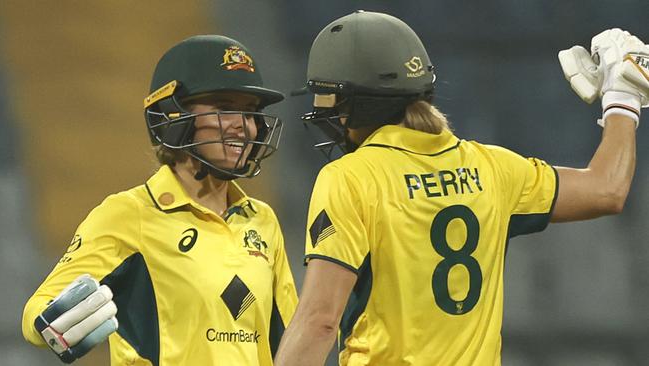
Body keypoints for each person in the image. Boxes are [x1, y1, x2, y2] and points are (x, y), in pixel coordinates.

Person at [274, 11, 647, 366]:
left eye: (330, 98)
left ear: (357, 103)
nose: (327, 112)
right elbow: (607, 189)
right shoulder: (492, 167)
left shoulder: (352, 176)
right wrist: (622, 101)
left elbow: (320, 320)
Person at [22, 35, 298, 365]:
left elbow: (292, 339)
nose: (245, 127)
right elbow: (38, 312)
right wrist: (54, 322)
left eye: (251, 112)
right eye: (224, 109)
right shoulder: (130, 214)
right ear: (171, 116)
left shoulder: (262, 220)